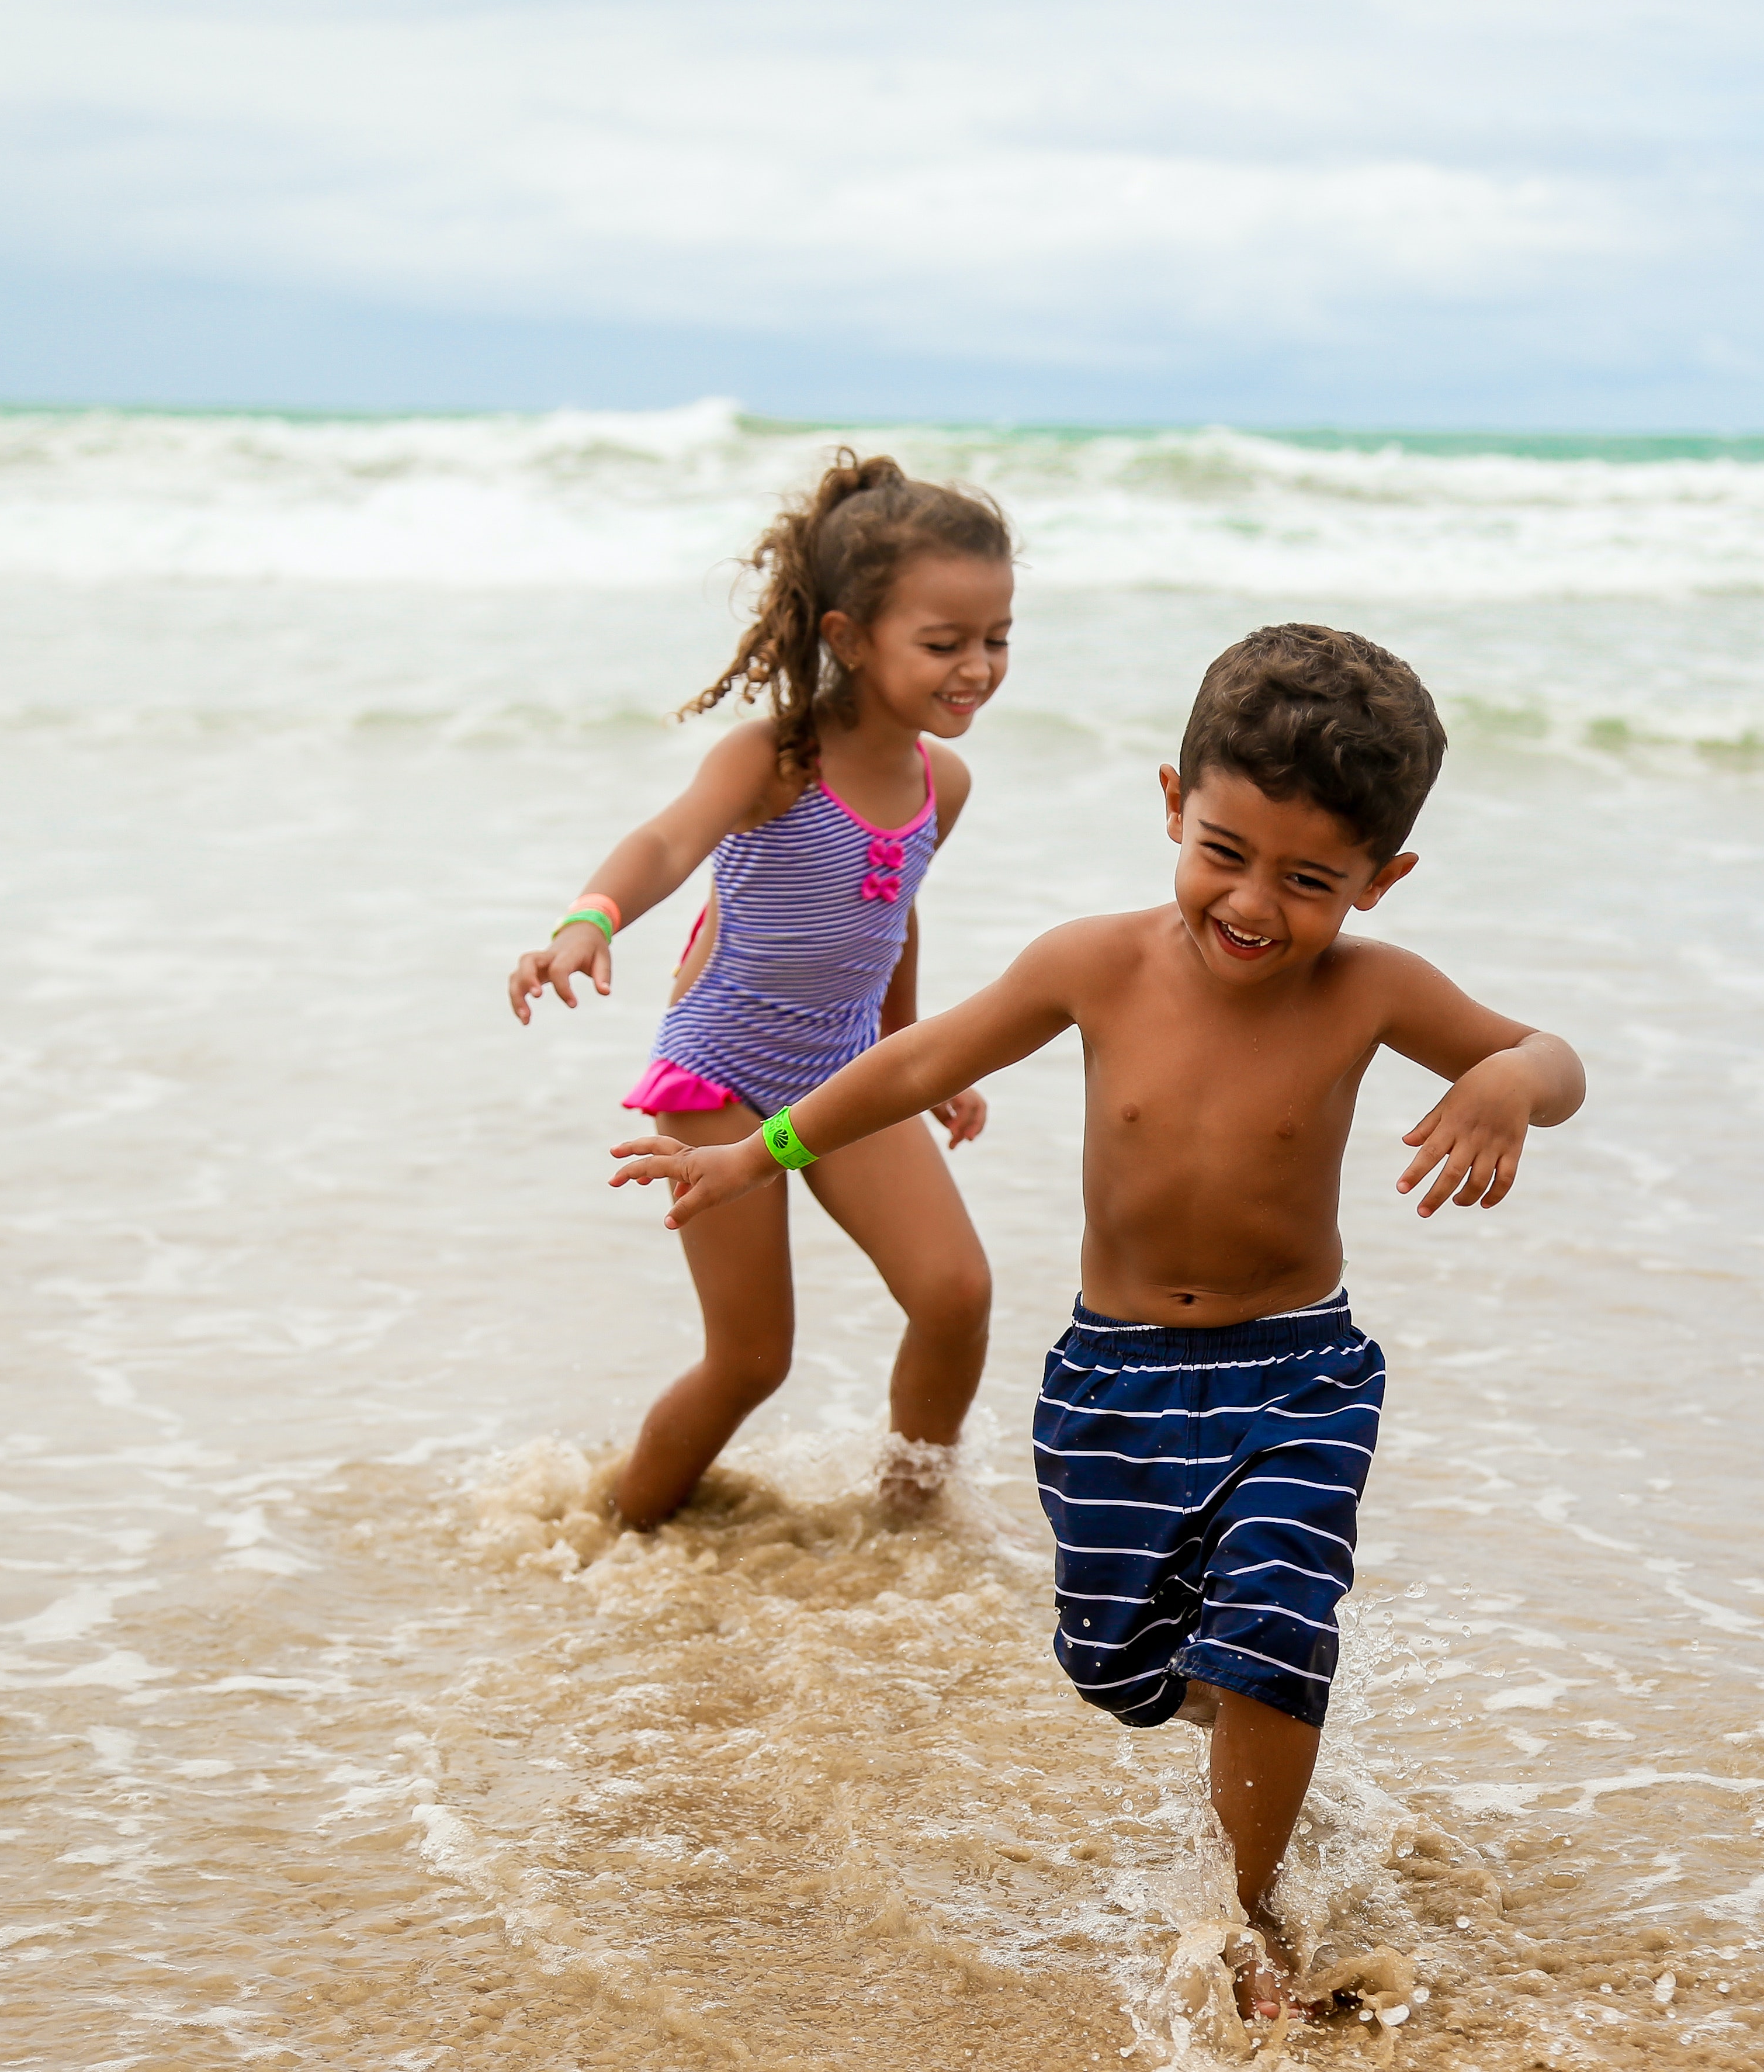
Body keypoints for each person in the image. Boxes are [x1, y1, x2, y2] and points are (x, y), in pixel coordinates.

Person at [608, 623, 1586, 2019]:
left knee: (1277, 1606)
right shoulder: (1094, 965)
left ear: (1383, 879)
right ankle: (1254, 1718)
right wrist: (750, 1154)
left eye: (1310, 883)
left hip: (1297, 1366)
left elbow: (1556, 1063)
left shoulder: (1375, 989)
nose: (1253, 905)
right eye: (1222, 853)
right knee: (1117, 1670)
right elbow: (914, 1059)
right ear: (1172, 805)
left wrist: (1510, 1081)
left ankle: (1247, 1928)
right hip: (1112, 1380)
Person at [510, 451, 1011, 1527]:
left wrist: (914, 1054)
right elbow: (666, 839)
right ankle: (621, 1533)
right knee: (750, 1358)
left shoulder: (944, 782)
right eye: (943, 643)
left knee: (955, 1293)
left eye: (996, 638)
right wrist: (587, 920)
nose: (976, 666)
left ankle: (906, 1524)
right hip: (722, 1073)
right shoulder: (775, 759)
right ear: (846, 636)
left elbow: (890, 913)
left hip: (845, 1068)